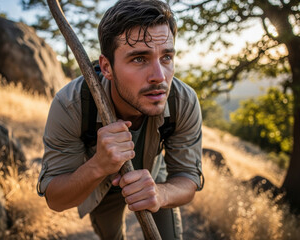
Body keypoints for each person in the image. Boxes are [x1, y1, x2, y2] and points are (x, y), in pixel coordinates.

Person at [37, 0, 204, 239]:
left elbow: (187, 178)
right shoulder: (71, 105)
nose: (159, 77)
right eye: (139, 59)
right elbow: (55, 199)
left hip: (153, 173)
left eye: (166, 57)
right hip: (99, 183)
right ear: (106, 67)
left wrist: (160, 193)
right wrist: (99, 164)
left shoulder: (183, 102)